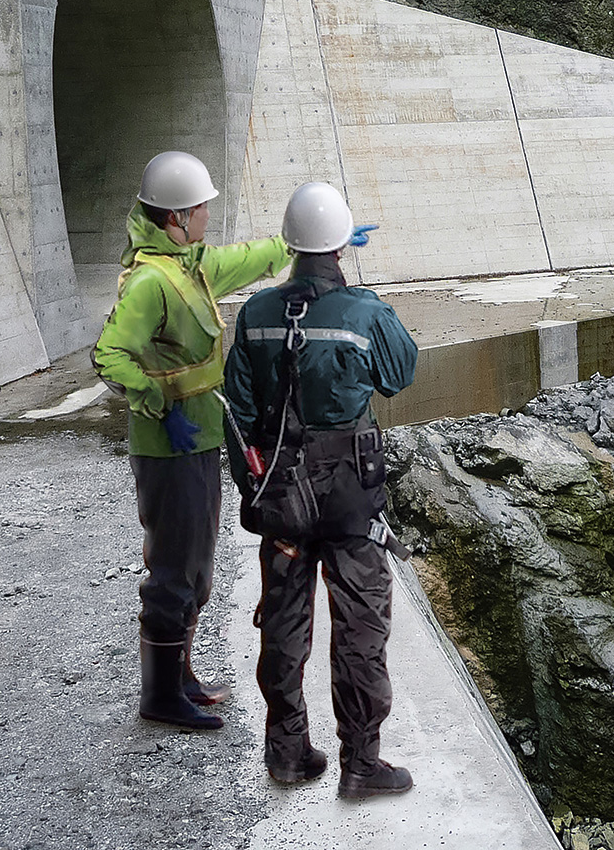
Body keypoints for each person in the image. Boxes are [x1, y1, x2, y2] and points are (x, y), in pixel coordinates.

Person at [223, 181, 418, 798]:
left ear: (290, 246)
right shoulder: (364, 312)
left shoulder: (254, 314)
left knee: (283, 620)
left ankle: (286, 752)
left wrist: (257, 488)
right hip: (349, 499)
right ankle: (361, 763)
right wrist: (368, 306)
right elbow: (399, 374)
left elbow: (241, 412)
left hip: (280, 495)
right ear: (341, 245)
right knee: (360, 623)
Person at [93, 150, 293, 731]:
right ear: (176, 217)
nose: (208, 212)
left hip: (201, 436)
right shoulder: (151, 282)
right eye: (201, 206)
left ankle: (178, 675)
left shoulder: (189, 264)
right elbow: (108, 356)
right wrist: (158, 402)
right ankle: (158, 697)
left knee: (197, 565)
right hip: (168, 445)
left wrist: (293, 247)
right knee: (175, 567)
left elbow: (241, 259)